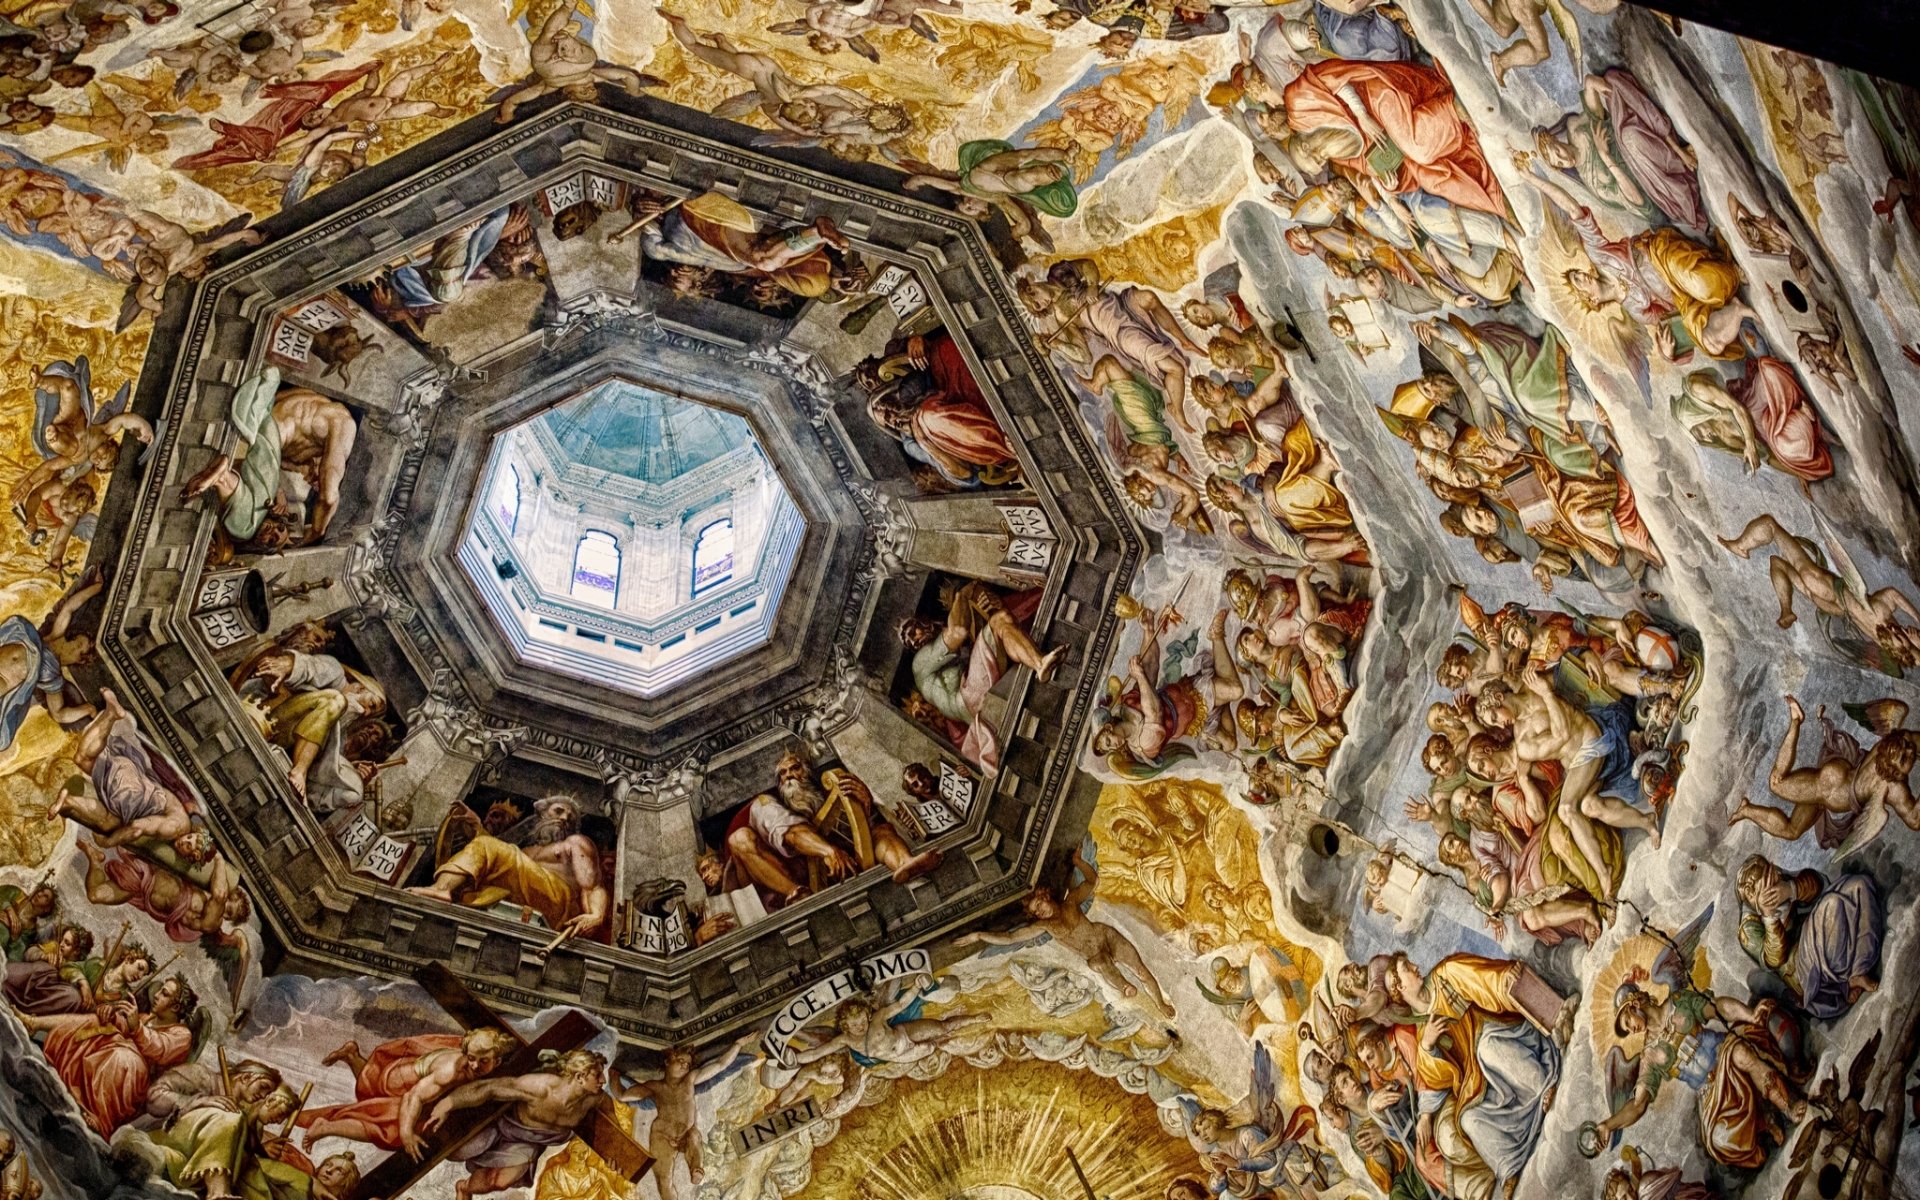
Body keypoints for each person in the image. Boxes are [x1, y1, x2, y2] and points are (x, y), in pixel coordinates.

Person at [955, 849, 1171, 1017]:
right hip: (1096, 956)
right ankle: (1124, 986)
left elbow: (1091, 881)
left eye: (1038, 904)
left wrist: (1079, 862)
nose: (1040, 911)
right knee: (1098, 965)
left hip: (1106, 937)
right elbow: (1011, 937)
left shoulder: (1070, 902)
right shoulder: (1045, 926)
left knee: (1141, 970)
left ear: (1045, 896)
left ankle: (1160, 1003)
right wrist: (979, 935)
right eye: (1036, 912)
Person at [179, 367, 359, 547]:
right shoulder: (344, 427)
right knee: (243, 528)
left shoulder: (312, 409)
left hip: (263, 421)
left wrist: (279, 490)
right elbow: (328, 499)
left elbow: (262, 462)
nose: (314, 483)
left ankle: (221, 476)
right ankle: (221, 477)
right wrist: (316, 533)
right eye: (318, 483)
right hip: (269, 430)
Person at [1719, 514, 1920, 669]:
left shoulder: (1882, 614)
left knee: (1771, 525)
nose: (1899, 630)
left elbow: (1894, 595)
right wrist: (1913, 641)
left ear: (1896, 646)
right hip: (1834, 607)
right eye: (1898, 632)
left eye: (1898, 636)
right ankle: (1786, 610)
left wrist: (1916, 626)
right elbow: (1911, 656)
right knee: (1776, 563)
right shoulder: (1885, 635)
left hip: (1829, 590)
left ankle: (1740, 546)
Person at [408, 796, 610, 943]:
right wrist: (476, 824)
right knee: (481, 875)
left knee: (490, 846)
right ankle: (447, 890)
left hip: (557, 902)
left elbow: (593, 885)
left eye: (571, 818)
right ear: (541, 814)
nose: (565, 818)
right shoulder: (527, 852)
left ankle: (442, 889)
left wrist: (596, 915)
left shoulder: (575, 842)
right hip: (524, 897)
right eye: (559, 811)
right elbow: (495, 859)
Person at [422, 1049, 617, 1199]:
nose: (603, 1080)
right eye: (597, 1075)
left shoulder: (595, 1099)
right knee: (458, 1151)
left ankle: (464, 1188)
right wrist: (447, 1104)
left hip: (527, 1144)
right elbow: (489, 1088)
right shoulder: (541, 1088)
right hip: (503, 1126)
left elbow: (611, 1120)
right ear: (580, 1076)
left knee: (497, 1182)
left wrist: (611, 1151)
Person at [17, 973, 196, 1135]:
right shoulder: (147, 1018)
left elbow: (159, 1049)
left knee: (124, 1058)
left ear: (176, 1006)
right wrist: (111, 1015)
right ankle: (34, 1023)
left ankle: (100, 1116)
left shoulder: (182, 1035)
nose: (156, 996)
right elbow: (125, 1026)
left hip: (135, 1083)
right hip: (119, 1053)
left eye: (164, 994)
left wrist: (136, 1027)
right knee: (96, 1022)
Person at [1729, 694, 1919, 844]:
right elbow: (1915, 819)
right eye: (1905, 755)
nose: (1910, 751)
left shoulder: (1891, 745)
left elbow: (1910, 740)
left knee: (1792, 831)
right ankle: (1796, 720)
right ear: (1895, 769)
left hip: (1830, 792)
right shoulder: (1895, 788)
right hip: (1832, 785)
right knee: (1776, 783)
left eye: (1908, 754)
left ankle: (1747, 810)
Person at [298, 1027, 515, 1155]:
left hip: (406, 1073)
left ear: (497, 1061)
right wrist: (406, 1133)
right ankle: (326, 1127)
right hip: (398, 1083)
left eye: (483, 1061)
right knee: (388, 1131)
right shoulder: (451, 1072)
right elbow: (414, 1096)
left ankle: (352, 1056)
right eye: (471, 1059)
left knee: (369, 1094)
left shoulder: (479, 1061)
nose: (475, 1066)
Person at [1734, 855, 1880, 1019]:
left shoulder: (1776, 880)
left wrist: (1790, 889)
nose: (1775, 881)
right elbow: (1775, 959)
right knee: (1832, 904)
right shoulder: (1748, 928)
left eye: (1774, 876)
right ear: (1750, 893)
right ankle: (1844, 982)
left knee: (1859, 885)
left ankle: (1859, 970)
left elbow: (1816, 883)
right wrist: (1769, 916)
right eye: (1768, 884)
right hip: (1801, 970)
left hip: (1816, 935)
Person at [616, 1037, 752, 1200]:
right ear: (667, 1062)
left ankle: (696, 1169)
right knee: (663, 1180)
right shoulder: (654, 1086)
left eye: (687, 1064)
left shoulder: (690, 1079)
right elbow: (623, 1096)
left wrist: (737, 1044)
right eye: (680, 1060)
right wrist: (613, 1075)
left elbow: (721, 1065)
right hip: (662, 1135)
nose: (684, 1066)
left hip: (686, 1132)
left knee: (694, 1138)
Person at [495, 8, 662, 122]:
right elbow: (628, 76)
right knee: (581, 56)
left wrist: (506, 117)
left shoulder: (547, 87)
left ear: (568, 92)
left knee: (548, 36)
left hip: (549, 68)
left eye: (584, 93)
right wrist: (634, 91)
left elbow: (512, 101)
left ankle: (567, 11)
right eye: (592, 91)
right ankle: (567, 14)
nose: (589, 89)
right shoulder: (593, 75)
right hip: (578, 64)